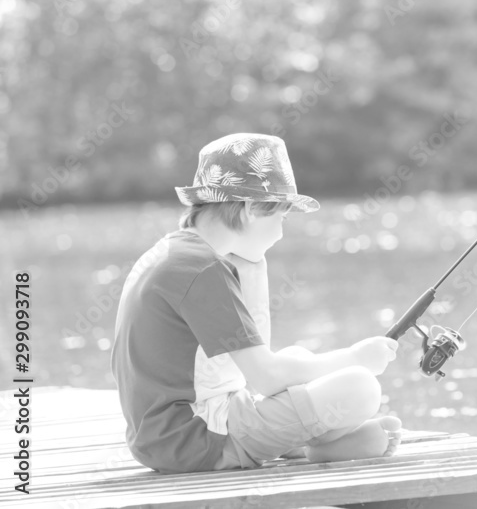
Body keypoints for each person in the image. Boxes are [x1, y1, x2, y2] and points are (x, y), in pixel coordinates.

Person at [111, 132, 401, 473]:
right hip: (196, 440)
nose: (280, 232)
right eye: (281, 218)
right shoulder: (203, 270)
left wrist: (253, 263)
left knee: (297, 357)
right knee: (361, 387)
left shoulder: (179, 253)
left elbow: (253, 364)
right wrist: (357, 357)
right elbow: (265, 378)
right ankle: (312, 448)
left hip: (164, 437)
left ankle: (302, 445)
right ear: (250, 208)